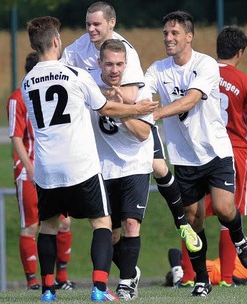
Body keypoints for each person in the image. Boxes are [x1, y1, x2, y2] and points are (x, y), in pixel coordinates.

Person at [21, 16, 157, 302]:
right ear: (56, 41)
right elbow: (106, 108)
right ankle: (98, 288)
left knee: (47, 227)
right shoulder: (75, 75)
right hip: (80, 165)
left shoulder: (27, 81)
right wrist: (137, 107)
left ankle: (47, 291)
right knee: (102, 224)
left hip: (46, 168)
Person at [60, 1, 202, 253]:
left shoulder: (126, 50)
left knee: (158, 166)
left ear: (111, 23)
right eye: (88, 24)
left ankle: (182, 222)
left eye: (96, 24)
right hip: (104, 129)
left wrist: (97, 94)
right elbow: (62, 74)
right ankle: (128, 271)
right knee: (109, 229)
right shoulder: (78, 48)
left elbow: (131, 92)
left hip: (133, 118)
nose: (91, 29)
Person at [144, 10, 247, 297]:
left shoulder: (205, 64)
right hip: (183, 158)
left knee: (223, 208)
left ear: (189, 37)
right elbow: (140, 93)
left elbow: (190, 100)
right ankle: (202, 279)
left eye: (175, 33)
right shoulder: (158, 69)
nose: (169, 38)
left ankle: (241, 239)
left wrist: (155, 113)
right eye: (166, 33)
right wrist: (123, 98)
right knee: (192, 222)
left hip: (216, 151)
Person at [198, 25, 247, 287]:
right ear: (240, 52)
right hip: (234, 153)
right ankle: (227, 278)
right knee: (230, 216)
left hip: (202, 151)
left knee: (194, 216)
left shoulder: (200, 75)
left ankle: (189, 275)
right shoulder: (245, 82)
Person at [88, 39, 155, 301]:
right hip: (102, 167)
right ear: (99, 63)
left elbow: (143, 134)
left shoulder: (140, 90)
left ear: (126, 64)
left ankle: (126, 283)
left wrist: (123, 111)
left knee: (130, 223)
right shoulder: (89, 85)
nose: (114, 70)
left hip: (135, 164)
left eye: (119, 64)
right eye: (109, 64)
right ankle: (130, 270)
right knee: (110, 233)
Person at [7, 52, 76, 291]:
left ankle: (62, 278)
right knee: (32, 226)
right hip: (30, 172)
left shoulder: (53, 93)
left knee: (64, 222)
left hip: (54, 168)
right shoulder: (18, 97)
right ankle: (33, 281)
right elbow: (16, 136)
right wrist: (29, 167)